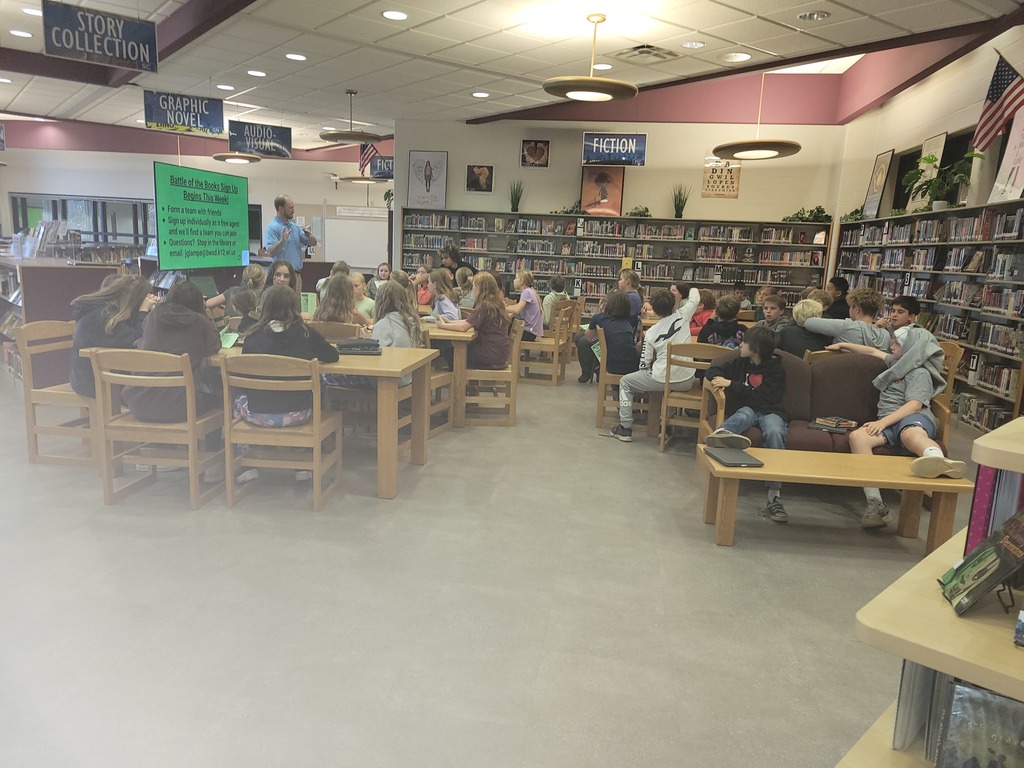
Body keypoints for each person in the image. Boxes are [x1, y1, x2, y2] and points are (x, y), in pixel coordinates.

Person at [829, 325, 965, 528]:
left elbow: (914, 405)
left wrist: (882, 422)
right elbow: (873, 351)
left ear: (911, 348)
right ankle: (875, 503)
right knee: (858, 438)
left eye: (896, 343)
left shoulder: (919, 372)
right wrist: (843, 344)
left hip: (913, 417)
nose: (890, 345)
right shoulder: (896, 363)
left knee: (910, 435)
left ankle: (938, 461)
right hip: (889, 422)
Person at [704, 326, 789, 522]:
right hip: (748, 408)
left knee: (775, 432)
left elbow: (765, 397)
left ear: (756, 348)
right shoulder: (740, 362)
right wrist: (721, 379)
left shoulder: (776, 370)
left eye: (745, 342)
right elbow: (713, 371)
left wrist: (732, 385)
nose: (741, 345)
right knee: (742, 416)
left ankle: (774, 497)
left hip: (771, 411)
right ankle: (720, 438)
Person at [236, 284, 339, 430]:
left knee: (235, 393)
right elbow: (332, 355)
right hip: (299, 411)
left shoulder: (252, 337)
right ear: (295, 307)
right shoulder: (306, 334)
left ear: (264, 307)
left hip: (259, 412)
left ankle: (242, 446)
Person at [122, 280, 221, 423]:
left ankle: (172, 444)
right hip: (180, 406)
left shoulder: (152, 318)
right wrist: (207, 318)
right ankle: (213, 446)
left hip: (140, 403)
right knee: (219, 395)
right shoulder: (199, 322)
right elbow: (214, 345)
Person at [609, 287, 699, 442]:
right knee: (668, 384)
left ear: (655, 310)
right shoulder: (684, 315)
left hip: (661, 379)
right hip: (687, 380)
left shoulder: (651, 333)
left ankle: (625, 427)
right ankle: (667, 425)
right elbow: (695, 298)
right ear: (673, 305)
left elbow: (645, 363)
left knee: (625, 382)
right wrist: (691, 288)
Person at [70, 275, 159, 397]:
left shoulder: (108, 311)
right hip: (91, 384)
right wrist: (143, 312)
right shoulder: (105, 318)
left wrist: (156, 311)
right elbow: (136, 342)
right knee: (152, 392)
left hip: (93, 378)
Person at [323, 281, 423, 389]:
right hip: (407, 377)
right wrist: (371, 339)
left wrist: (367, 342)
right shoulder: (411, 321)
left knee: (324, 376)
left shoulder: (385, 323)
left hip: (384, 380)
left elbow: (376, 357)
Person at [436, 272, 510, 369]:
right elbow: (469, 321)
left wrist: (442, 325)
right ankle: (460, 375)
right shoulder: (496, 303)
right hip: (500, 352)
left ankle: (459, 379)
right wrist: (449, 322)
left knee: (451, 352)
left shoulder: (485, 305)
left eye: (474, 286)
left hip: (490, 353)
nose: (472, 289)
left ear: (480, 288)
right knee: (455, 351)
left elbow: (464, 327)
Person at [576, 290, 640, 384]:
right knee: (641, 347)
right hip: (628, 365)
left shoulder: (599, 318)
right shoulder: (626, 322)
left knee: (582, 340)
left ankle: (597, 369)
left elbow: (588, 336)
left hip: (611, 364)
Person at [804, 287, 891, 350]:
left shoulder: (845, 326)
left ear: (857, 308)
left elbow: (808, 322)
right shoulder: (885, 335)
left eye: (850, 307)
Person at [264, 195, 316, 292]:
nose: (293, 210)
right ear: (281, 209)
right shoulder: (272, 227)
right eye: (290, 208)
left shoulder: (294, 227)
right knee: (282, 304)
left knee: (295, 305)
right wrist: (282, 241)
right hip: (282, 277)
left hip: (296, 275)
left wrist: (310, 236)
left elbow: (313, 243)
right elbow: (271, 252)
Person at [505, 268, 544, 341]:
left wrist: (501, 308)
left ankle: (511, 352)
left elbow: (517, 310)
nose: (513, 280)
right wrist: (508, 306)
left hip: (529, 332)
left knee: (504, 331)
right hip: (532, 331)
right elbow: (518, 305)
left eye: (516, 278)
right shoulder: (529, 291)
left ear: (522, 281)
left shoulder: (526, 292)